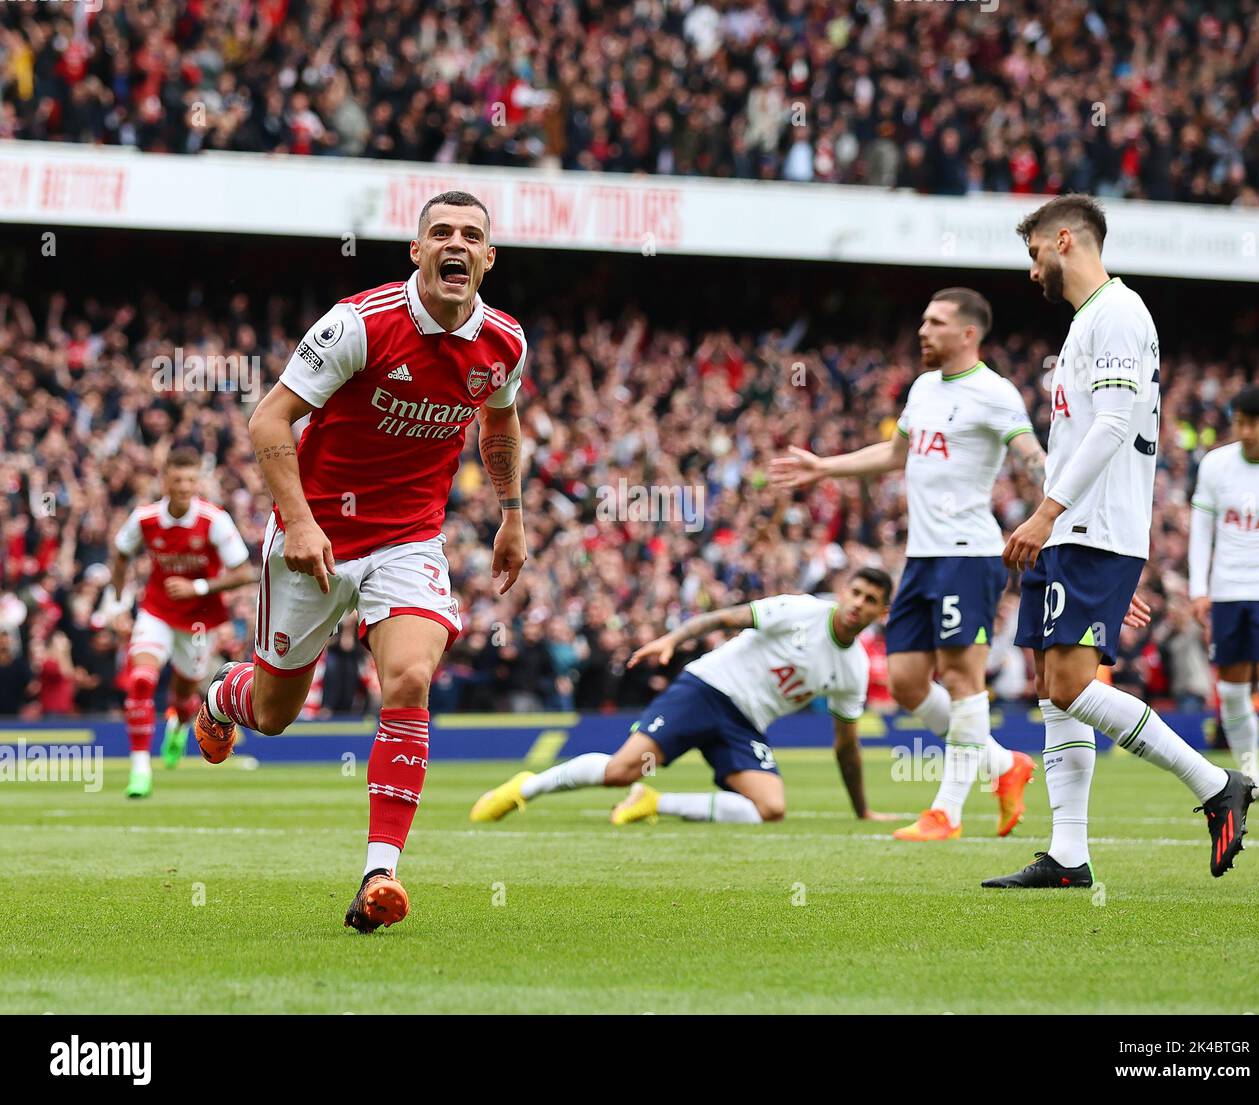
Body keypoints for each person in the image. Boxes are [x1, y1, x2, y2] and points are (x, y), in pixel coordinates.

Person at [193, 190, 529, 933]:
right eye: (440, 231)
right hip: (319, 536)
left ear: (488, 258)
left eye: (471, 235)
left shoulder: (505, 341)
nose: (456, 243)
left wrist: (511, 512)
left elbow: (498, 424)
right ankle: (225, 696)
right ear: (416, 250)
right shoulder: (360, 323)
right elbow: (268, 418)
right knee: (277, 714)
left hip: (411, 536)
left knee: (409, 675)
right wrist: (301, 522)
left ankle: (380, 872)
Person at [986, 194, 1253, 889]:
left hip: (1088, 525)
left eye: (1035, 251)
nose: (1032, 268)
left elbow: (1111, 425)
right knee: (1051, 685)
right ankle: (1069, 854)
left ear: (1065, 239)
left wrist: (1048, 515)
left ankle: (1214, 780)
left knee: (1072, 685)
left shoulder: (1117, 313)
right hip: (1083, 527)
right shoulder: (1090, 322)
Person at [770, 289, 1043, 841]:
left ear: (968, 333)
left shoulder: (995, 393)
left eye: (936, 323)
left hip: (969, 556)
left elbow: (1030, 454)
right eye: (922, 320)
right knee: (906, 682)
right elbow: (895, 455)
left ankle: (948, 811)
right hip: (920, 557)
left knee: (964, 679)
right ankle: (1003, 765)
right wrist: (825, 469)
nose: (923, 330)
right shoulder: (922, 388)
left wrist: (1053, 510)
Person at [470, 567, 895, 826]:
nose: (858, 603)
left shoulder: (853, 668)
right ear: (844, 592)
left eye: (870, 600)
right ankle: (527, 787)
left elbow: (847, 747)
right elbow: (725, 617)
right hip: (705, 690)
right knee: (622, 770)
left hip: (743, 725)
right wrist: (671, 639)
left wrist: (863, 811)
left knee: (770, 807)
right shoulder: (801, 610)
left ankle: (655, 802)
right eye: (855, 592)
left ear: (882, 613)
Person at [105, 448, 257, 797]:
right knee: (141, 680)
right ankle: (140, 769)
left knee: (185, 694)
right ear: (165, 481)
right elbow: (120, 554)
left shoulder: (213, 519)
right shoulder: (144, 519)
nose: (185, 486)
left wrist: (198, 586)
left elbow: (244, 572)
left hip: (199, 622)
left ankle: (177, 724)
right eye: (178, 480)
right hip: (156, 610)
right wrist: (116, 604)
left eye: (191, 480)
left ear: (198, 482)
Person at [1189, 386, 1259, 805]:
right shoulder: (1215, 465)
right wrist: (1200, 589)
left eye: (1252, 422)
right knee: (1233, 692)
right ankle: (1250, 776)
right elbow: (1201, 530)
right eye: (1238, 422)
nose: (1244, 430)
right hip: (1227, 590)